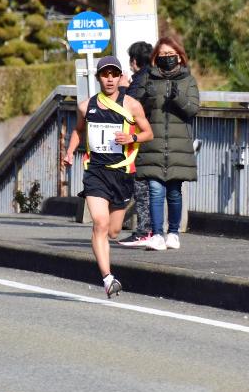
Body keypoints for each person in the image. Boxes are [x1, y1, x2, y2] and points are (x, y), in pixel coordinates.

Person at [63, 55, 153, 297]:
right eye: (105, 74)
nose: (110, 79)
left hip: (122, 174)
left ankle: (107, 270)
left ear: (120, 76)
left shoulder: (131, 105)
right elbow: (78, 130)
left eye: (114, 74)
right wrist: (70, 151)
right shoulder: (85, 106)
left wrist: (132, 138)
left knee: (113, 231)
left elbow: (148, 133)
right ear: (98, 77)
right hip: (96, 173)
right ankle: (107, 278)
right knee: (100, 224)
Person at [137, 37, 200, 251]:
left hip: (177, 146)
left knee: (174, 191)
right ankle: (157, 234)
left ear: (179, 56)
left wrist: (178, 97)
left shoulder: (188, 81)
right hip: (152, 144)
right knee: (155, 189)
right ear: (155, 58)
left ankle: (173, 232)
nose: (166, 58)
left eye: (170, 54)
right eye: (162, 55)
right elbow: (135, 108)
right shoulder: (148, 79)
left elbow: (192, 109)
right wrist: (148, 99)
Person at [117, 41, 155, 248]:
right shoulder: (154, 77)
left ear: (133, 61)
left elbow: (126, 108)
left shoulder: (140, 81)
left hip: (141, 141)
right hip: (154, 139)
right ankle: (152, 231)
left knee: (141, 187)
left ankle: (144, 231)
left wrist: (123, 88)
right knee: (153, 189)